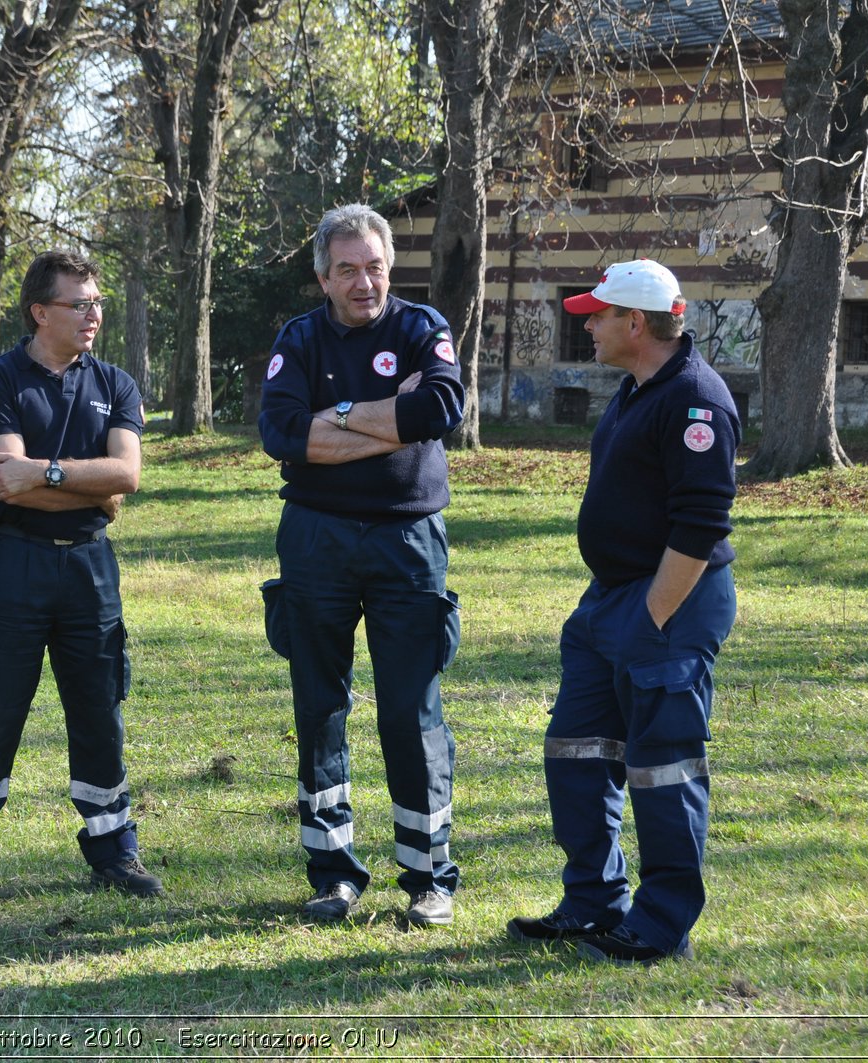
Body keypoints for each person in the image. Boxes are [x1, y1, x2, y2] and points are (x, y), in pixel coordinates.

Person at [507, 259, 738, 965]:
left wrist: (650, 619)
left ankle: (662, 923)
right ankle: (592, 903)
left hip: (667, 603)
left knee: (663, 767)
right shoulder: (638, 390)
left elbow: (699, 527)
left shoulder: (697, 400)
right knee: (575, 752)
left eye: (599, 313)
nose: (588, 323)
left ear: (635, 323)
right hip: (608, 602)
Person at [0, 250, 161, 908]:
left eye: (97, 302)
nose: (94, 314)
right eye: (79, 303)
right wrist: (88, 487)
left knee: (98, 709)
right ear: (40, 311)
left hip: (89, 567)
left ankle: (115, 849)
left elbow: (127, 479)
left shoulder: (116, 383)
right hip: (14, 562)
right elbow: (6, 480)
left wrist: (47, 476)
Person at [258, 204, 465, 926]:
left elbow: (439, 407)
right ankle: (333, 871)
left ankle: (428, 874)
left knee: (412, 708)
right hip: (316, 538)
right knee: (320, 705)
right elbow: (281, 433)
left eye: (375, 266)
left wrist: (335, 419)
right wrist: (384, 415)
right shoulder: (299, 338)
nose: (364, 281)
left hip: (407, 540)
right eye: (347, 268)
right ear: (322, 275)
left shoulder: (420, 329)